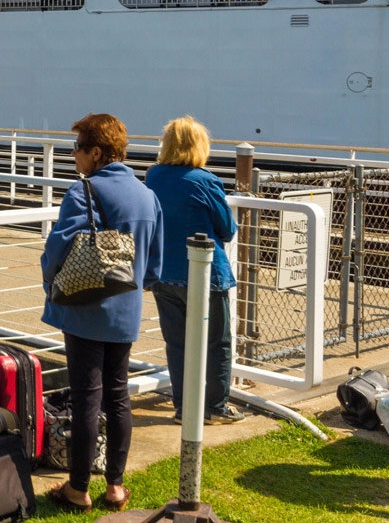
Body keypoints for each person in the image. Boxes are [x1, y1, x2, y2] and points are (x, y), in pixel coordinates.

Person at [41, 114, 163, 512]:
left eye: (77, 148)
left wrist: (50, 283)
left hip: (85, 309)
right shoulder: (148, 195)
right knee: (118, 396)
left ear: (96, 152)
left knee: (86, 397)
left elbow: (57, 249)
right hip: (126, 311)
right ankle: (115, 487)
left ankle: (78, 489)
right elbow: (155, 265)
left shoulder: (85, 192)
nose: (73, 155)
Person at [146, 116, 245, 426]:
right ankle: (215, 407)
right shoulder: (206, 181)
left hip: (165, 273)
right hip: (204, 276)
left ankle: (184, 407)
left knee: (177, 345)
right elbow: (227, 229)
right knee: (218, 343)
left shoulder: (154, 177)